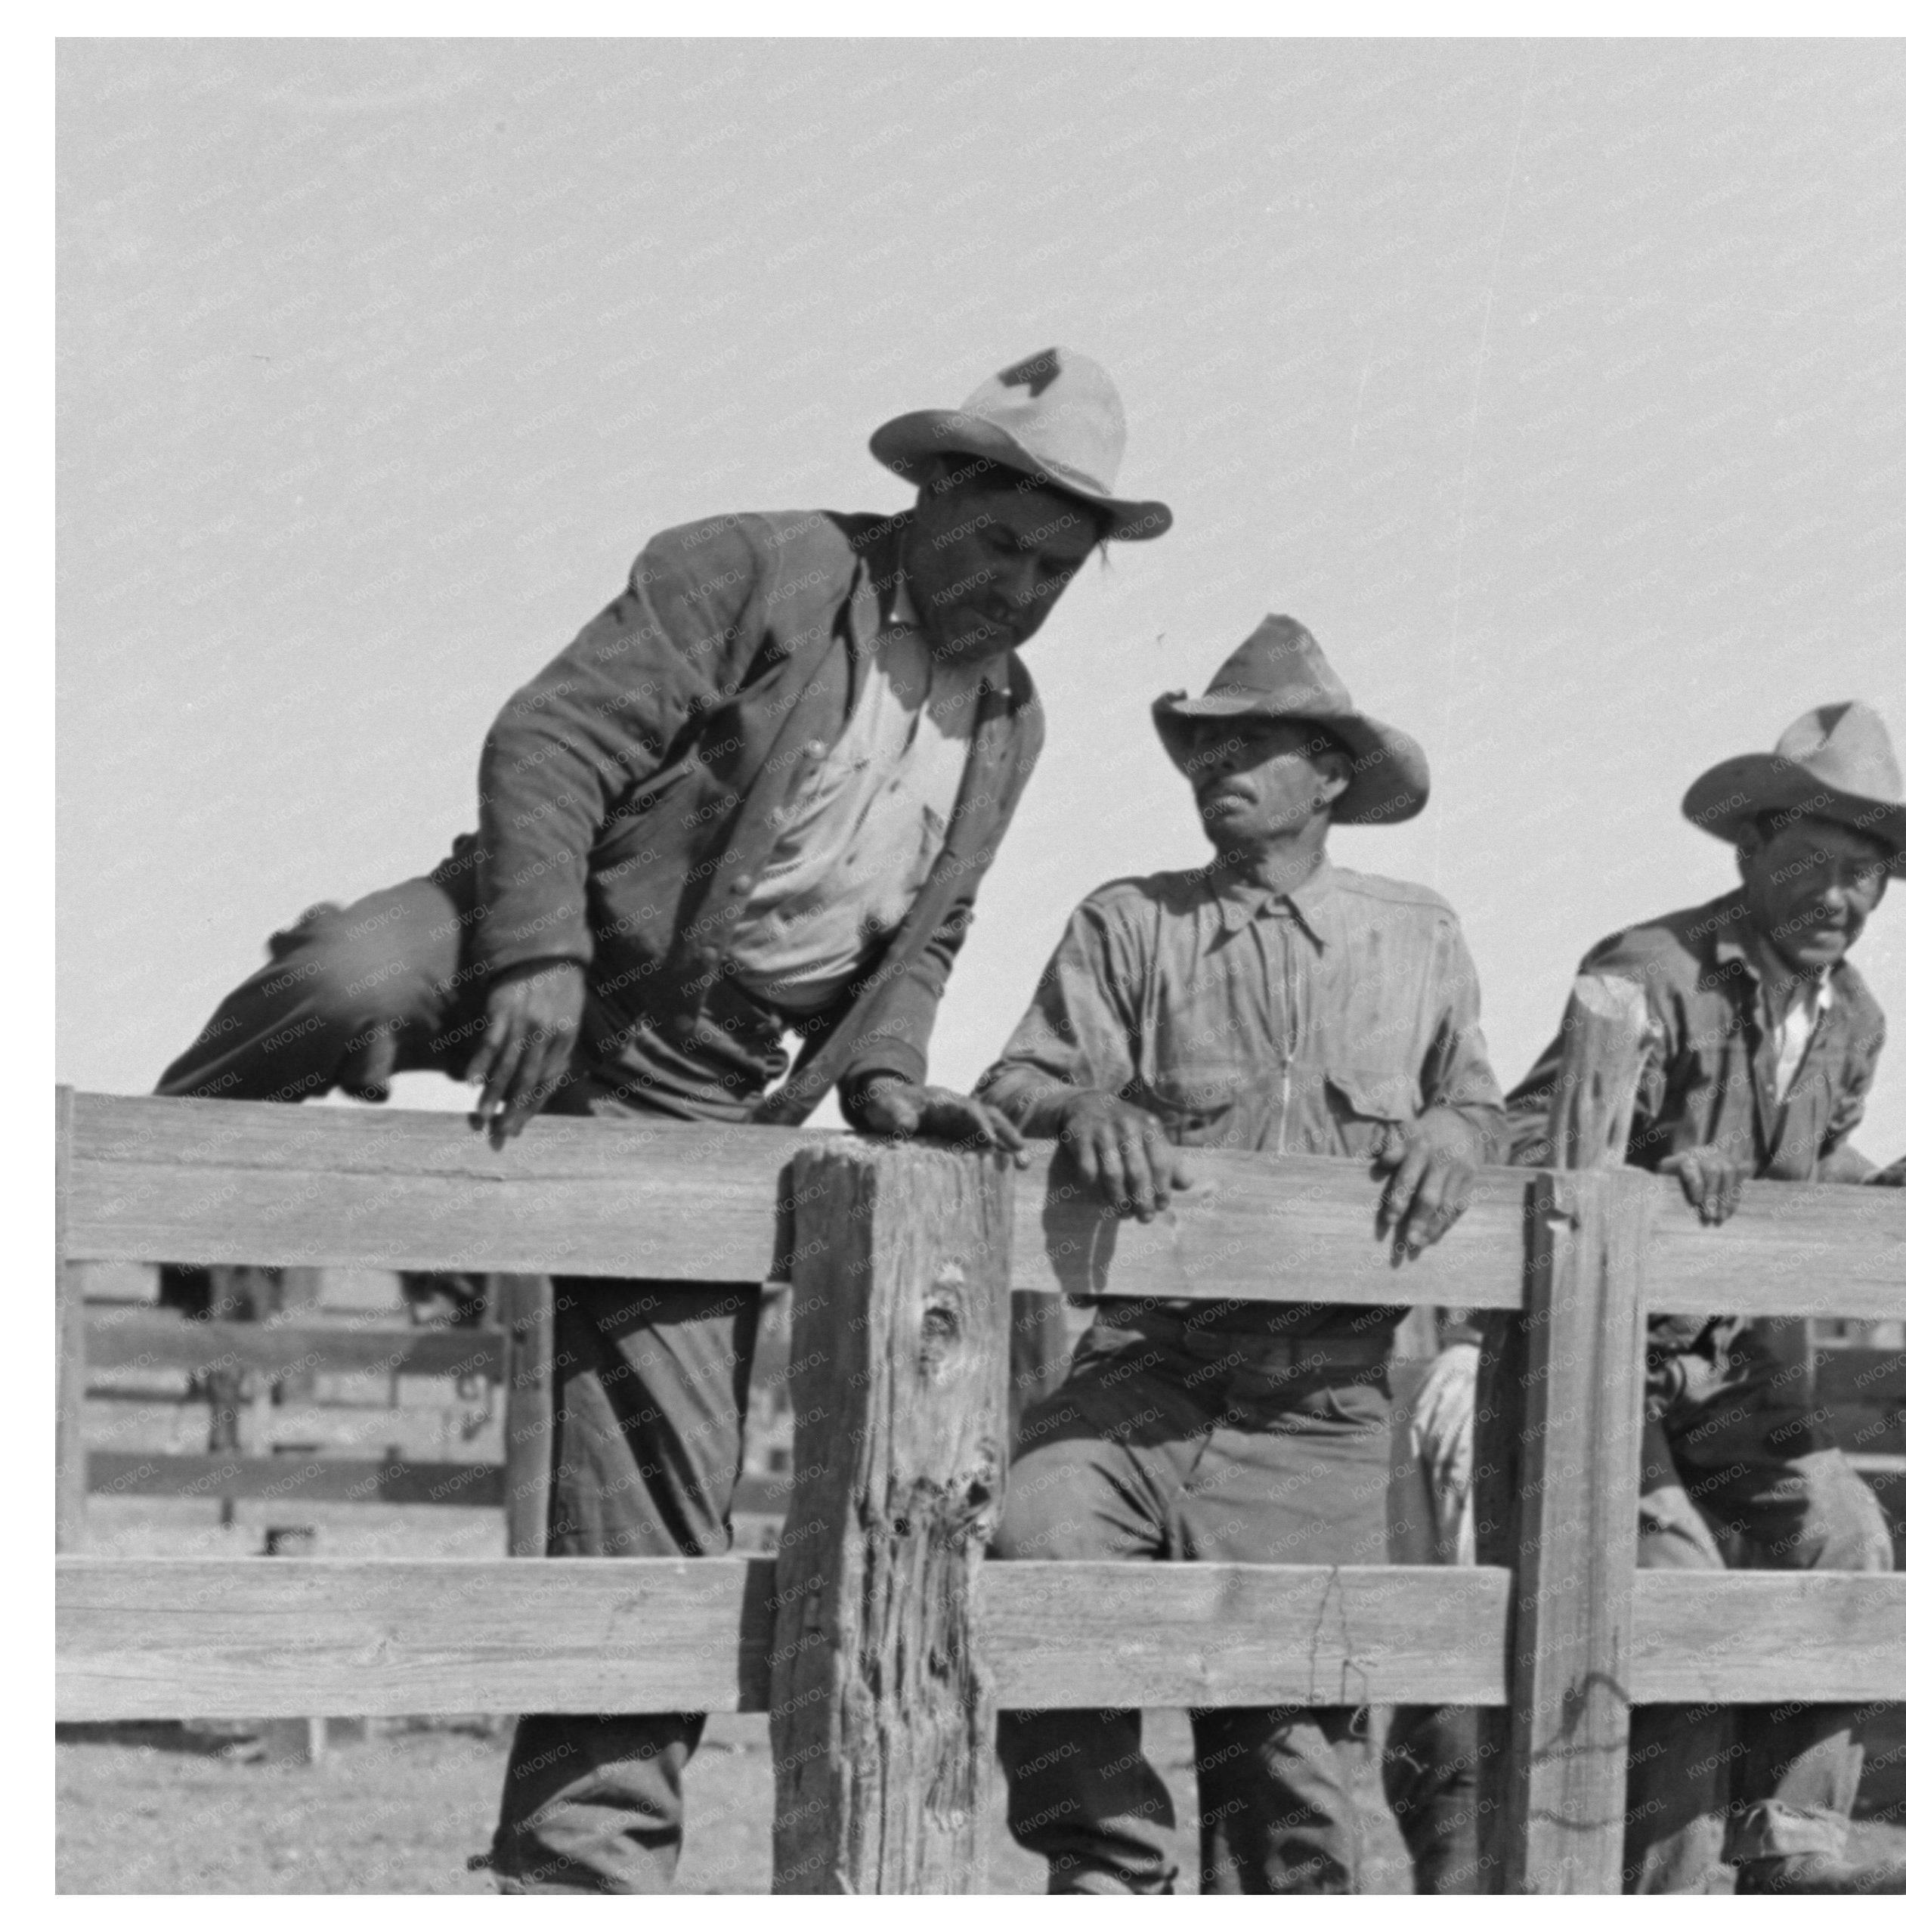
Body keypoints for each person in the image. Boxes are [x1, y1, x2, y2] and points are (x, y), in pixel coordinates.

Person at [147, 348, 1174, 1891]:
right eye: (1001, 543)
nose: (1021, 586)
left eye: (1055, 568)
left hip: (700, 1073)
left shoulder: (1009, 719)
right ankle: (152, 1188)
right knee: (348, 980)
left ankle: (583, 1867)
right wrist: (539, 954)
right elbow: (552, 740)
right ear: (936, 491)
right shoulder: (759, 565)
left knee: (655, 1489)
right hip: (534, 932)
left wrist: (888, 1070)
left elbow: (925, 934)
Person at [972, 615, 1505, 1894]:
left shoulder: (1414, 937)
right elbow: (1011, 1085)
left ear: (1329, 775)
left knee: (1292, 1769)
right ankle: (1112, 1874)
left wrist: (1452, 1127)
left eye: (1256, 744)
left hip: (1319, 1405)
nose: (1221, 767)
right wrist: (1077, 1108)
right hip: (1140, 1370)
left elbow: (1484, 1105)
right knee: (1038, 1553)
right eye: (1207, 745)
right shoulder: (1128, 925)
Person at [1466, 700, 1906, 1896]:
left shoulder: (1851, 1016)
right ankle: (1668, 1886)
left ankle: (1790, 1840)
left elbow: (1799, 1163)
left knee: (1844, 1536)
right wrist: (1646, 1172)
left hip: (1738, 1372)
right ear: (1750, 856)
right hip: (1602, 1364)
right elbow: (1524, 1135)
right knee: (1681, 1589)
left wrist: (1883, 1178)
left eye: (1862, 875)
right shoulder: (1646, 970)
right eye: (1808, 864)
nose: (1837, 899)